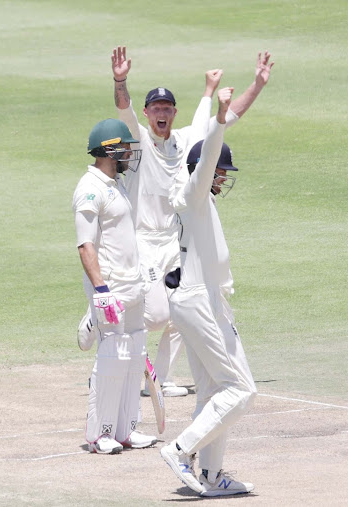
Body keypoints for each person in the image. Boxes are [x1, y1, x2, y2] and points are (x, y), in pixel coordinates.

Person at [77, 46, 273, 399]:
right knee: (154, 316)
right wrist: (120, 79)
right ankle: (95, 315)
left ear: (174, 112)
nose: (161, 113)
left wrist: (256, 86)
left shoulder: (184, 140)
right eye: (156, 108)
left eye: (167, 108)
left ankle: (160, 379)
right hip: (142, 240)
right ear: (149, 113)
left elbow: (224, 120)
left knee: (186, 305)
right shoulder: (137, 140)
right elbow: (123, 104)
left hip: (176, 240)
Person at [160, 87, 257, 497]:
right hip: (199, 301)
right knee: (241, 390)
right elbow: (211, 143)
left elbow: (210, 138)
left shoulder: (199, 199)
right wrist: (218, 116)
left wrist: (256, 88)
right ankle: (181, 451)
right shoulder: (194, 192)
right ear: (205, 169)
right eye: (218, 170)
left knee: (217, 391)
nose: (221, 178)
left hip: (207, 300)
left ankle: (213, 475)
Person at [72, 119, 157, 453]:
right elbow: (85, 245)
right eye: (124, 147)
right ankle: (100, 434)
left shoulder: (115, 182)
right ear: (108, 149)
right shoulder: (89, 188)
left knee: (135, 353)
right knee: (113, 359)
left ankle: (127, 428)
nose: (128, 153)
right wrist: (101, 291)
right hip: (111, 289)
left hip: (133, 284)